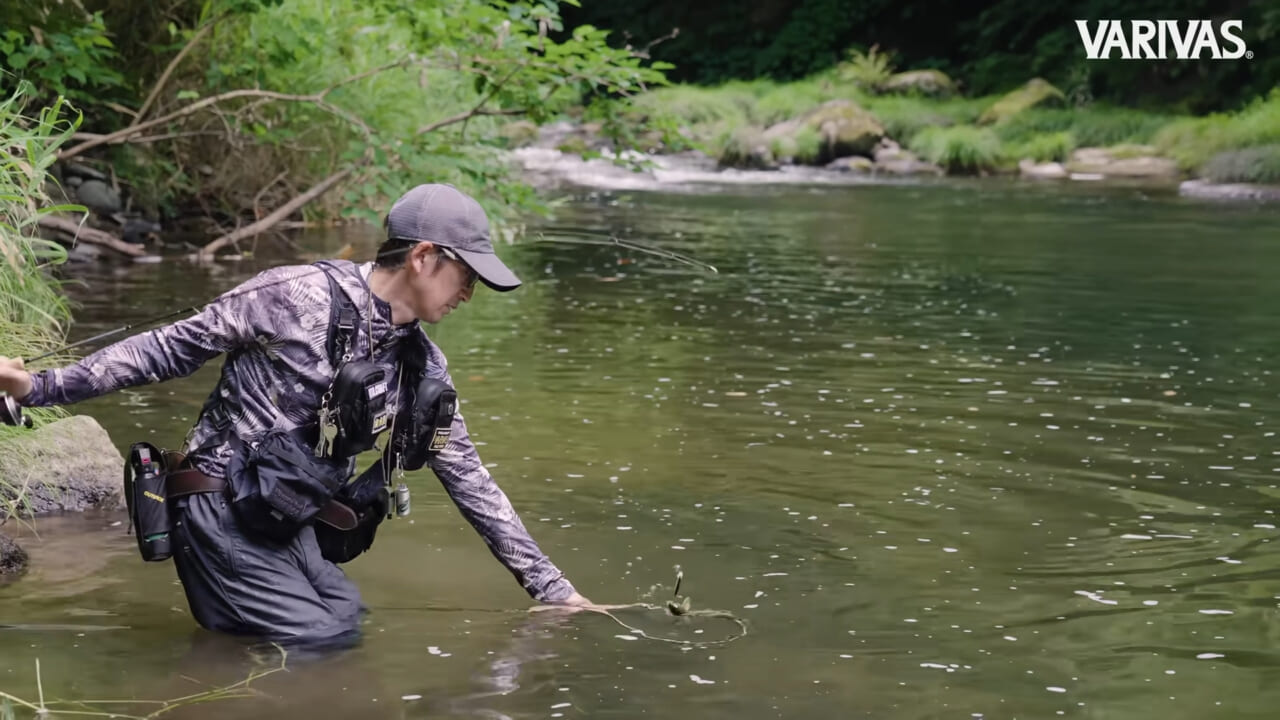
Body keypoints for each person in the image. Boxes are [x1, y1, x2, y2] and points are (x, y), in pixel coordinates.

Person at [0, 183, 590, 644]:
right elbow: (167, 349)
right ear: (423, 256)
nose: (469, 293)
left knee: (346, 616)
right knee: (322, 640)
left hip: (285, 522)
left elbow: (469, 478)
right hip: (218, 505)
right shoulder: (293, 294)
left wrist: (555, 592)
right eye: (467, 275)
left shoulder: (422, 368)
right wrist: (38, 387)